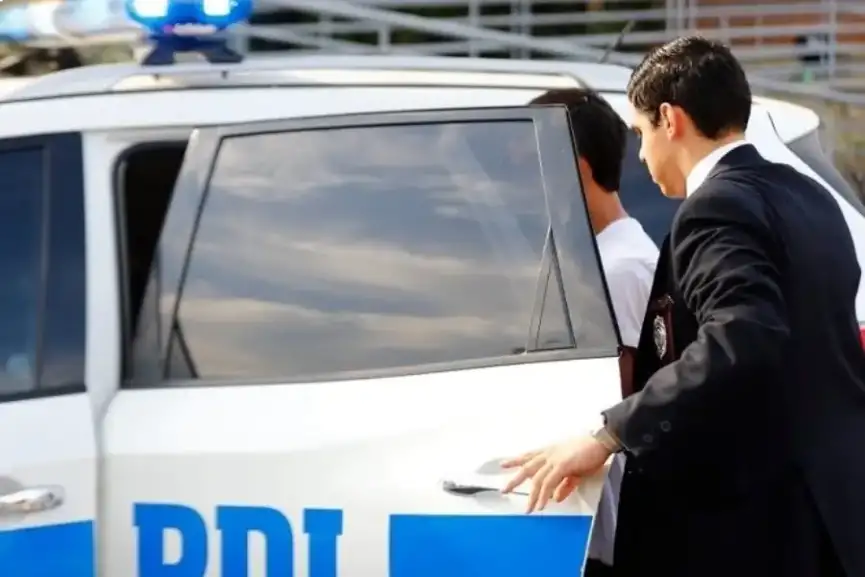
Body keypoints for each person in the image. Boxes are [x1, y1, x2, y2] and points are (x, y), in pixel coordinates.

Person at [503, 36, 865, 577]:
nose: (640, 155)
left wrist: (609, 434)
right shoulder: (809, 195)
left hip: (757, 528)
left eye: (640, 133)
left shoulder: (715, 206)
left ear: (669, 119)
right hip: (834, 514)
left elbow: (741, 335)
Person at [528, 88, 658, 576]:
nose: (524, 184)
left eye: (534, 165)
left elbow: (631, 398)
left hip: (606, 527)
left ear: (576, 170)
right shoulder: (595, 259)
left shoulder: (622, 269)